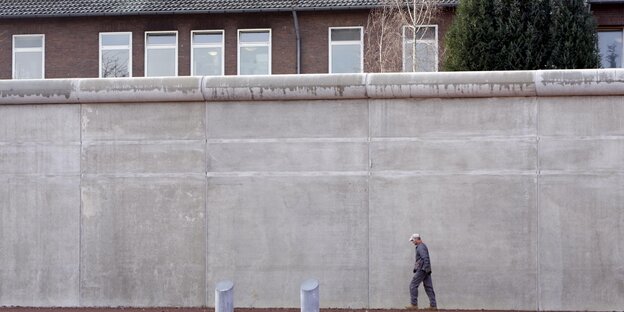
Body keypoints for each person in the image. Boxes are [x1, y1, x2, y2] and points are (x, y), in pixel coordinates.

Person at [407, 233, 437, 310]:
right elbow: (421, 259)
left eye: (413, 240)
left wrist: (425, 269)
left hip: (422, 269)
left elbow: (425, 258)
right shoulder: (422, 246)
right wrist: (427, 269)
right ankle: (433, 306)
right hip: (425, 269)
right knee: (428, 287)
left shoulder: (420, 247)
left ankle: (414, 305)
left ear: (417, 239)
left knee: (413, 285)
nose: (413, 242)